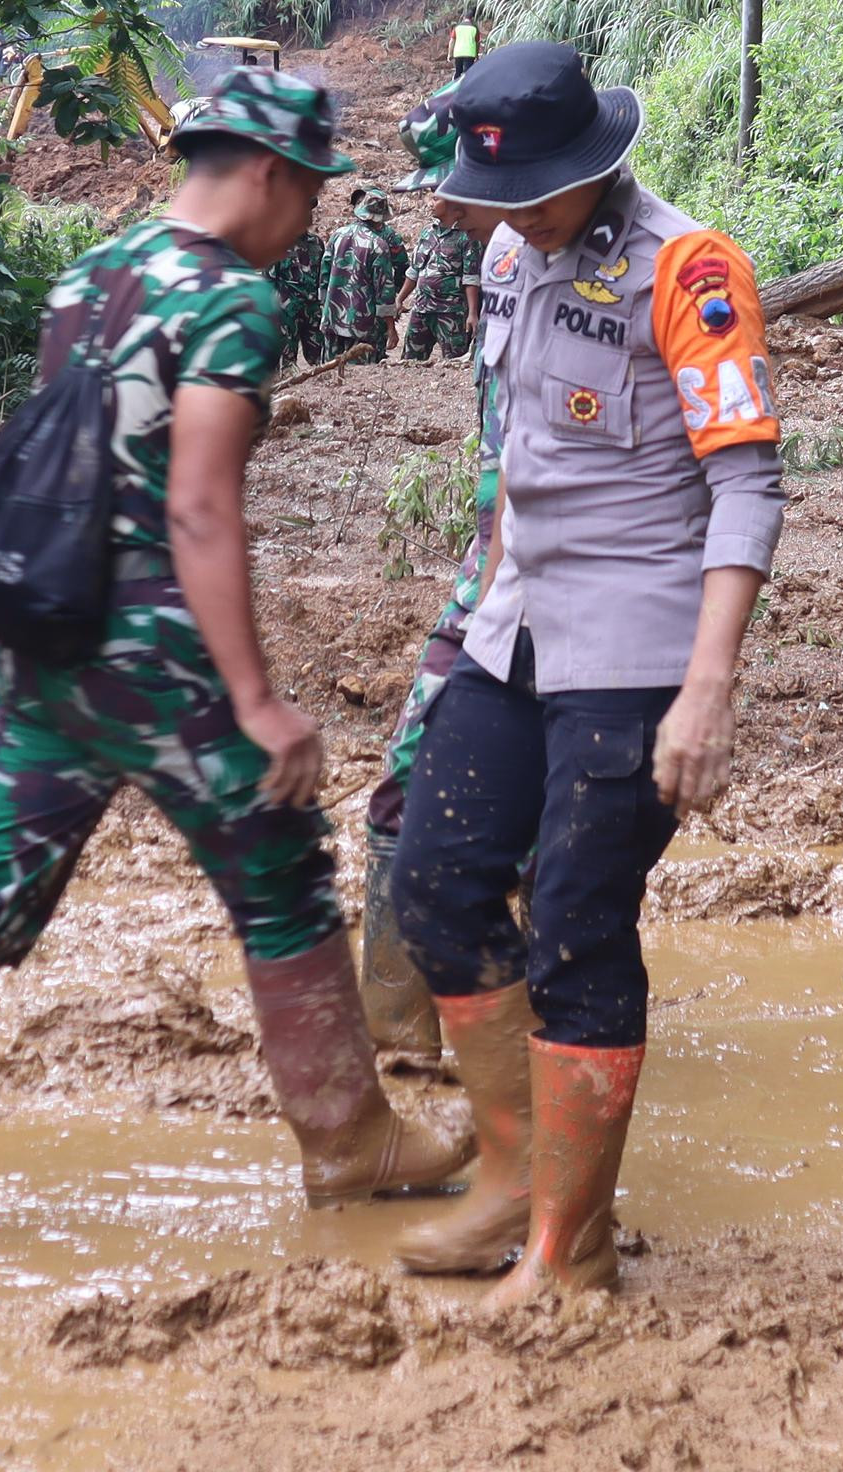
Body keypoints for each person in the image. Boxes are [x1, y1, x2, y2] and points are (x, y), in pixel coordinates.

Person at [0, 69, 469, 1238]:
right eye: (310, 194)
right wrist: (257, 697)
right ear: (271, 172)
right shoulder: (228, 301)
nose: (310, 220)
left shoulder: (92, 274)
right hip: (160, 651)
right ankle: (348, 1138)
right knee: (279, 868)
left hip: (52, 641)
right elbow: (200, 508)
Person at [391, 42, 782, 1303]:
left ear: (597, 166)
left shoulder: (691, 269)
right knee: (437, 879)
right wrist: (467, 618)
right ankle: (513, 1178)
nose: (512, 217)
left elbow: (744, 484)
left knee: (572, 923)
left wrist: (707, 690)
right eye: (498, 197)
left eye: (537, 194)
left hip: (636, 648)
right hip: (515, 627)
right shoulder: (508, 255)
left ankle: (571, 1249)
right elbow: (514, 461)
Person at [358, 104, 521, 1056]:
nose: (443, 211)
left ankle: (516, 1028)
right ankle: (402, 1033)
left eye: (453, 192)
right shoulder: (499, 261)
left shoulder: (620, 269)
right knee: (406, 788)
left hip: (566, 593)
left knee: (543, 826)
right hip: (489, 571)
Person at [394, 107, 482, 360]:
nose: (430, 203)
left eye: (435, 199)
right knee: (409, 362)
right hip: (421, 309)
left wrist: (472, 313)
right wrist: (401, 299)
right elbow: (414, 271)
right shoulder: (426, 234)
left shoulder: (466, 236)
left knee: (453, 360)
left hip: (451, 312)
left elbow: (471, 278)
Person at [320, 186, 410, 359]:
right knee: (360, 378)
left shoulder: (337, 235)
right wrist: (391, 329)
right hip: (363, 326)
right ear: (380, 218)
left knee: (330, 373)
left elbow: (324, 277)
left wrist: (325, 308)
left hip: (333, 320)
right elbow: (384, 293)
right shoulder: (378, 245)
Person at [274, 215, 334, 366]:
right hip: (287, 312)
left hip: (312, 310)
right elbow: (268, 280)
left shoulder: (316, 243)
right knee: (286, 362)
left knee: (319, 360)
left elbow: (323, 275)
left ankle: (322, 388)